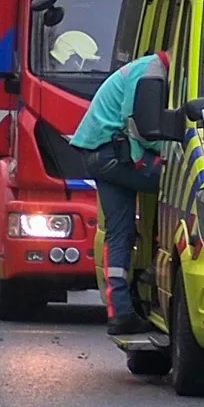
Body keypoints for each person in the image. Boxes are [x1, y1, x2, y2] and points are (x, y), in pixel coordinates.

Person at [70, 51, 168, 335]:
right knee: (181, 182)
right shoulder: (151, 70)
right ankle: (157, 269)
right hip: (112, 153)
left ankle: (121, 313)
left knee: (119, 232)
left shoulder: (148, 68)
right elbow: (137, 124)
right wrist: (170, 154)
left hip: (100, 153)